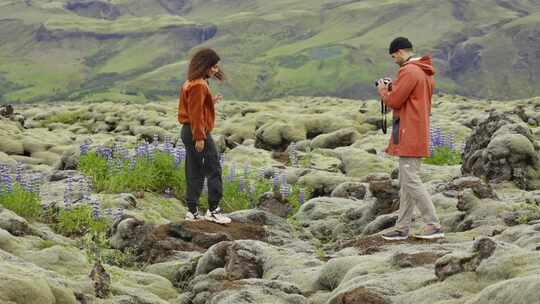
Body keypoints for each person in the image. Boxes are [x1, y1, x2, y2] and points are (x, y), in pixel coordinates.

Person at [376, 37, 444, 240]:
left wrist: (383, 90)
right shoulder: (423, 71)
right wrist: (392, 87)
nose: (394, 59)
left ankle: (433, 224)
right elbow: (408, 98)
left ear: (399, 51)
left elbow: (395, 101)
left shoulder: (409, 70)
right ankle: (402, 227)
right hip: (417, 129)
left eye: (393, 55)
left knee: (411, 180)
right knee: (406, 181)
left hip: (409, 132)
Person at [178, 48, 231, 224]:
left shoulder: (191, 82)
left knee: (194, 170)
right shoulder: (199, 84)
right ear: (205, 65)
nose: (216, 70)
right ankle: (214, 210)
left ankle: (192, 211)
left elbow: (194, 106)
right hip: (196, 131)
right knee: (214, 168)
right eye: (214, 66)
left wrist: (211, 101)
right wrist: (200, 137)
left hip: (188, 130)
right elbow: (195, 113)